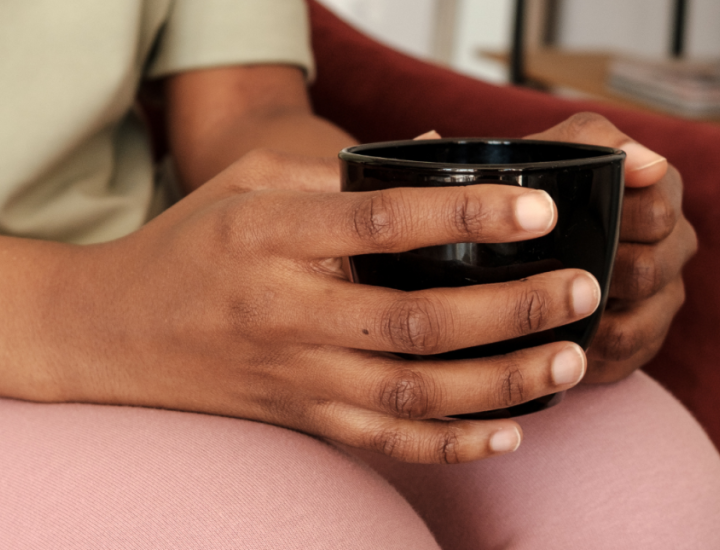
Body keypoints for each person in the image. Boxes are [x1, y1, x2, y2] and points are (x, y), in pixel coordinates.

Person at [1, 1, 718, 548]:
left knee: (645, 485)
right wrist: (91, 313)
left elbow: (247, 103)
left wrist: (411, 221)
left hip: (165, 259)